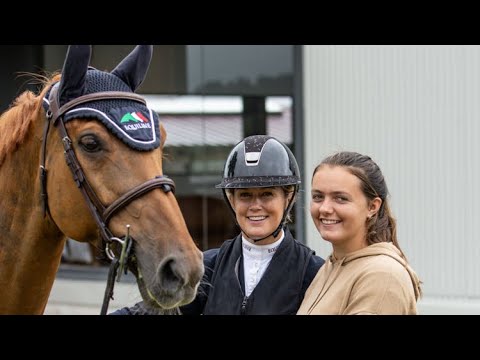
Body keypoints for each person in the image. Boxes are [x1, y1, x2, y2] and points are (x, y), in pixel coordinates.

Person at [112, 135, 324, 315]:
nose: (255, 206)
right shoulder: (207, 265)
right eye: (245, 195)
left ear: (288, 198)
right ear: (232, 200)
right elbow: (152, 311)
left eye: (267, 194)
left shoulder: (314, 271)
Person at [297, 151, 422, 315]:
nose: (324, 208)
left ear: (372, 207)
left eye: (340, 198)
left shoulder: (382, 276)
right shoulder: (330, 266)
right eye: (318, 197)